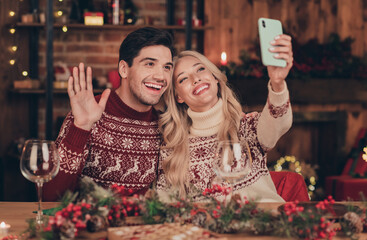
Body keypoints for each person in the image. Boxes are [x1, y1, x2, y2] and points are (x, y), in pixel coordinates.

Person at [156, 34, 293, 202]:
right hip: (206, 227)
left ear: (214, 78)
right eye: (183, 79)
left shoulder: (246, 127)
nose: (196, 79)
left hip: (261, 222)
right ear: (178, 97)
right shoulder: (173, 149)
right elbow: (164, 203)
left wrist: (277, 83)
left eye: (200, 69)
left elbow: (279, 121)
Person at [43, 27, 175, 201]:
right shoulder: (88, 113)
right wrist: (81, 127)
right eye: (150, 64)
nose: (160, 76)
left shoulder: (164, 125)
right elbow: (50, 198)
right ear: (123, 69)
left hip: (140, 226)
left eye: (167, 67)